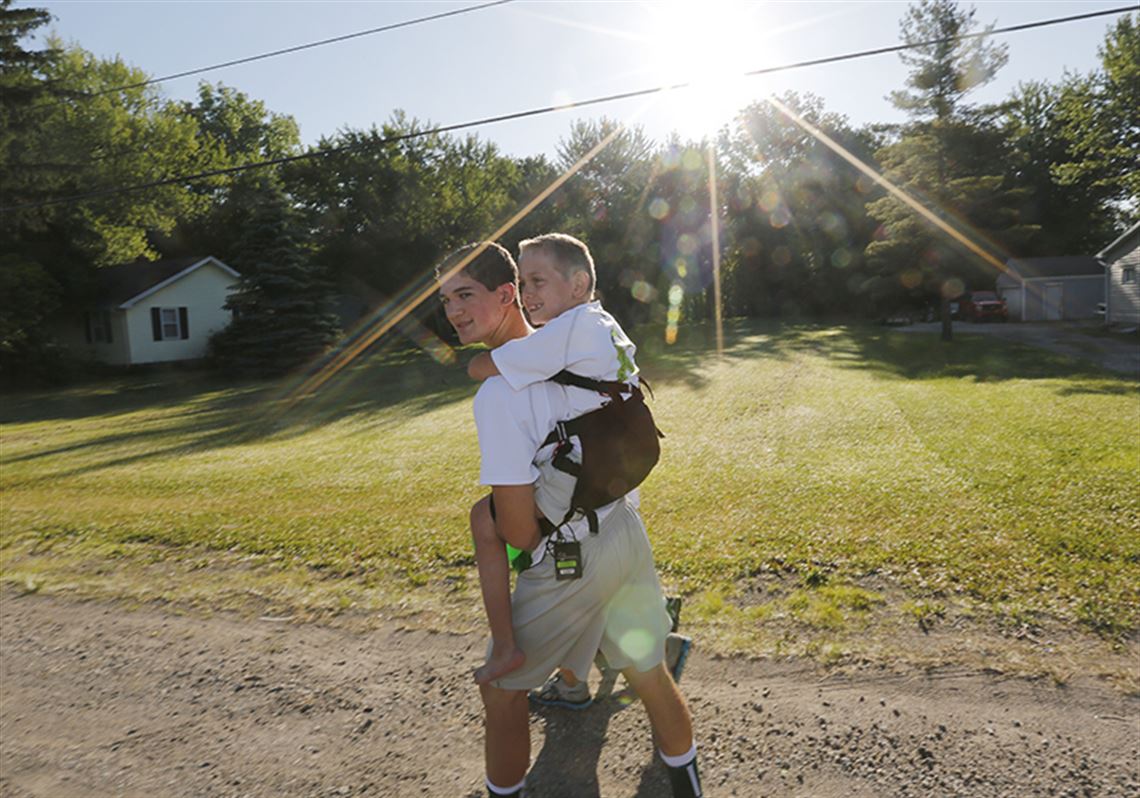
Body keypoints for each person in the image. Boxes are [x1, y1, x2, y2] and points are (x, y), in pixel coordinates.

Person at [437, 240, 703, 798]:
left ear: (504, 294)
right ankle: (686, 784)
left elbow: (517, 529)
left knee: (505, 692)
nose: (453, 311)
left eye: (464, 295)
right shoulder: (567, 348)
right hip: (626, 529)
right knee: (647, 669)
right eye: (445, 300)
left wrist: (517, 545)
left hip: (571, 555)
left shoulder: (502, 392)